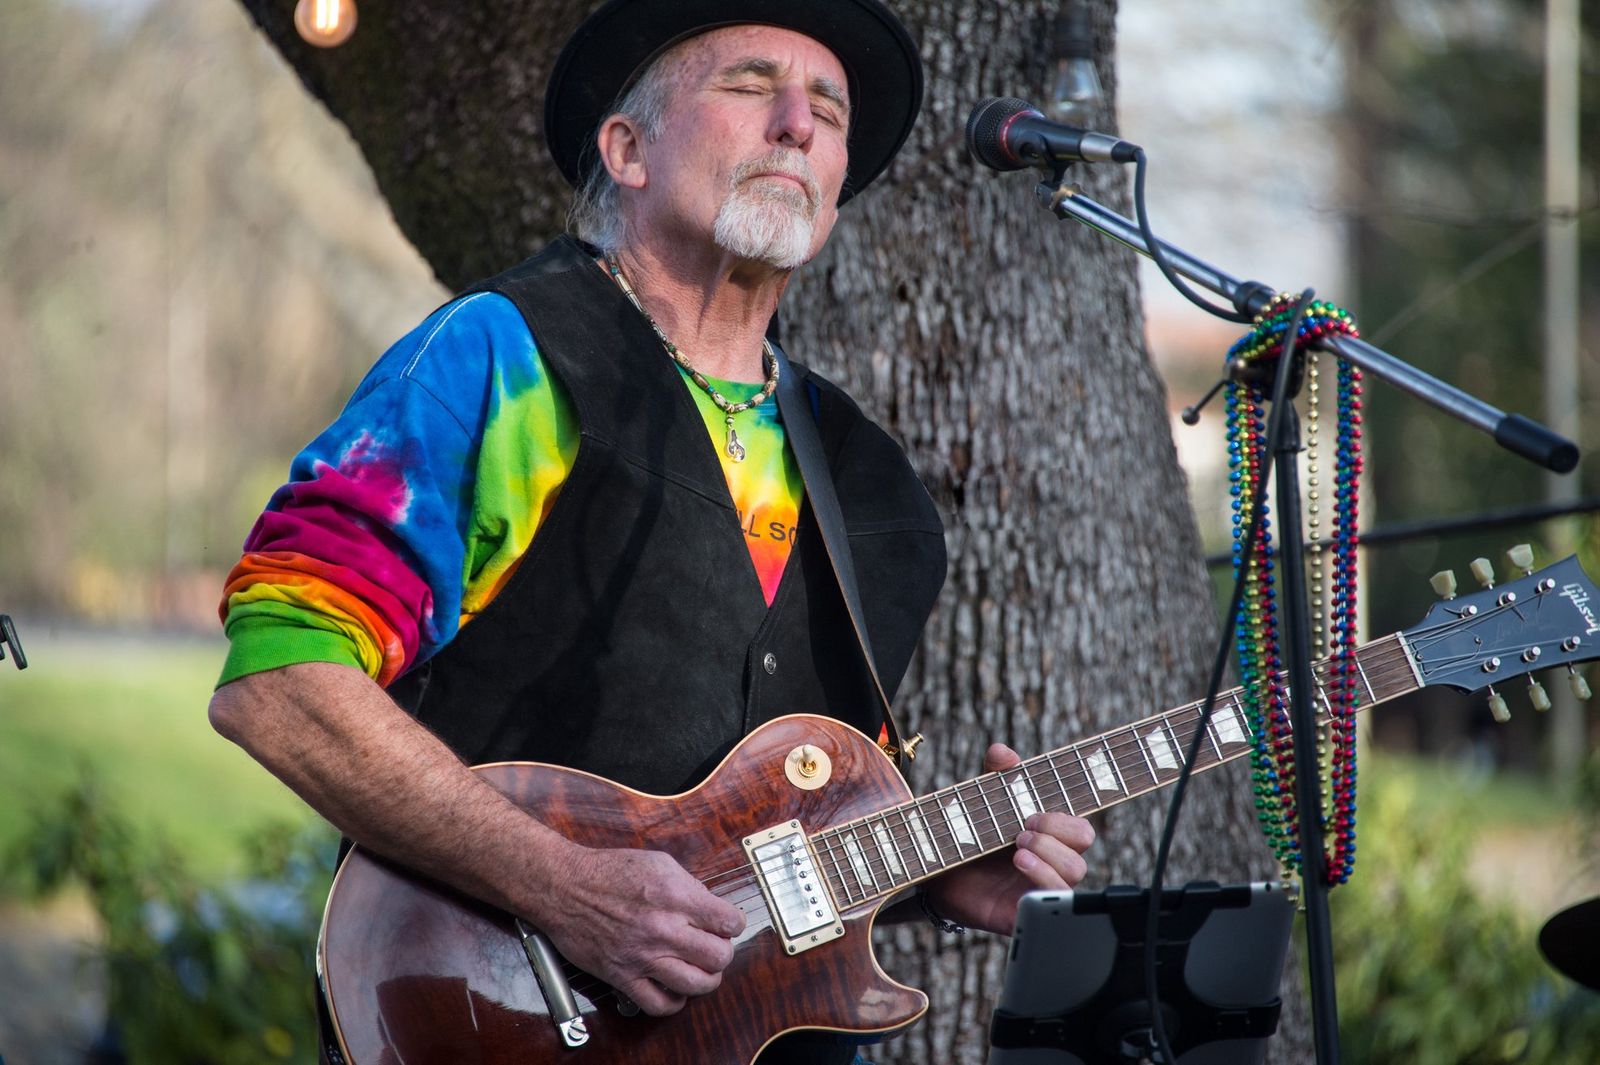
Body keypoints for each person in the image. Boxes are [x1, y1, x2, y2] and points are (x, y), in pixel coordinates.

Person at [208, 1, 1096, 1061]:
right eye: (749, 85)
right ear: (627, 150)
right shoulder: (504, 359)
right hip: (468, 1018)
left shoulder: (873, 491)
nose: (796, 124)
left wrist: (928, 879)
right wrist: (563, 886)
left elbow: (760, 865)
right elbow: (281, 681)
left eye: (828, 111)